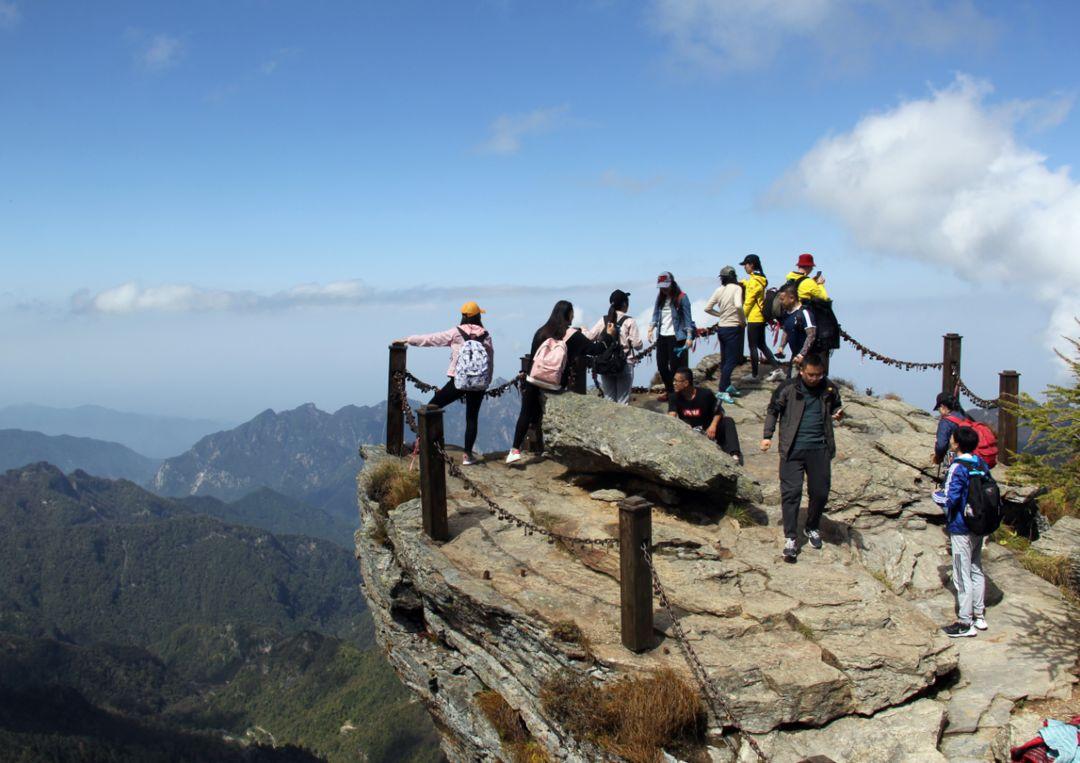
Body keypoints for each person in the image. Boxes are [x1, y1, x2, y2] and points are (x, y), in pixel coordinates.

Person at [761, 354, 844, 562]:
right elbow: (773, 410)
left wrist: (837, 413)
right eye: (811, 375)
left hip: (820, 448)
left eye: (819, 374)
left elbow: (836, 406)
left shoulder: (829, 388)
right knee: (791, 492)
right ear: (801, 371)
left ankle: (812, 526)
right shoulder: (788, 388)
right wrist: (767, 436)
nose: (815, 378)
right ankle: (790, 537)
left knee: (821, 492)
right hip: (792, 449)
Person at [507, 300, 611, 464]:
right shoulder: (573, 335)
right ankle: (553, 451)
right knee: (552, 417)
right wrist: (609, 336)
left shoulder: (542, 331)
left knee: (526, 414)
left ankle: (514, 450)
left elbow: (533, 356)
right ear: (569, 315)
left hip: (534, 378)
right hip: (556, 384)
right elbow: (596, 350)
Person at [397, 301, 494, 465]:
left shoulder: (456, 333)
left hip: (458, 381)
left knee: (432, 406)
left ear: (463, 316)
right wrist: (487, 381)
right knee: (472, 418)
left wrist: (409, 340)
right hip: (478, 383)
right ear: (478, 316)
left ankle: (420, 444)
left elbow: (432, 339)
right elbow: (489, 361)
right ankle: (468, 456)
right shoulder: (486, 335)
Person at [933, 426, 990, 637]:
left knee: (960, 572)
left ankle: (965, 623)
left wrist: (935, 496)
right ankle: (979, 616)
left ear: (956, 444)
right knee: (976, 568)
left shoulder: (957, 467)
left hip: (960, 527)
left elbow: (950, 499)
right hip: (979, 525)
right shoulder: (980, 463)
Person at [668, 367, 743, 465]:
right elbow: (671, 417)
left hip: (709, 430)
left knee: (728, 421)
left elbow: (719, 412)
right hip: (691, 433)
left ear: (686, 383)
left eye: (676, 381)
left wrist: (713, 426)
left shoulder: (705, 394)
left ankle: (734, 454)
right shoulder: (674, 397)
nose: (674, 383)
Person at [585, 289, 644, 405]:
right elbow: (638, 345)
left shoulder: (604, 320)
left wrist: (583, 329)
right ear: (624, 304)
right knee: (623, 402)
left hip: (606, 363)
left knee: (609, 400)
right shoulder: (629, 321)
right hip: (624, 363)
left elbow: (590, 337)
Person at [648, 272, 696, 403]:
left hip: (676, 337)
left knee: (676, 368)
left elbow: (688, 319)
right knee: (662, 366)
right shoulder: (660, 298)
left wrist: (689, 337)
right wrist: (651, 328)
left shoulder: (682, 298)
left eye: (665, 286)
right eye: (661, 287)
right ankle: (670, 391)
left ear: (672, 284)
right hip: (662, 336)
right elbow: (656, 313)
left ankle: (678, 394)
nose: (663, 289)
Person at [703, 266, 745, 404]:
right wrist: (742, 321)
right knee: (731, 361)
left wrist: (720, 314)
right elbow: (738, 305)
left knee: (725, 359)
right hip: (734, 327)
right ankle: (722, 390)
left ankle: (727, 385)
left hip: (722, 328)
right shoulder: (737, 288)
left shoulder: (719, 290)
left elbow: (707, 308)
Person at [739, 254, 780, 380]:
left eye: (745, 265)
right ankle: (777, 368)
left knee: (753, 346)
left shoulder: (754, 282)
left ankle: (755, 375)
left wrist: (740, 318)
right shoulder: (759, 278)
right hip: (760, 317)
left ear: (751, 265)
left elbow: (749, 302)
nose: (744, 267)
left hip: (754, 318)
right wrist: (742, 282)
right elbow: (752, 286)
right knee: (762, 344)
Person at [776, 282, 817, 379]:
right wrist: (781, 347)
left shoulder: (804, 313)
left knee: (799, 384)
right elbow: (786, 330)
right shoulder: (787, 314)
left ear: (792, 298)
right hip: (795, 356)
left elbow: (811, 335)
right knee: (791, 382)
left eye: (782, 299)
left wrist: (802, 355)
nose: (780, 302)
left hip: (807, 357)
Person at [932, 392, 968, 466]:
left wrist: (938, 456)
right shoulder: (966, 418)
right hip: (971, 457)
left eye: (938, 409)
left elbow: (941, 446)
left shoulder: (946, 422)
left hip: (952, 456)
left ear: (942, 406)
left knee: (950, 476)